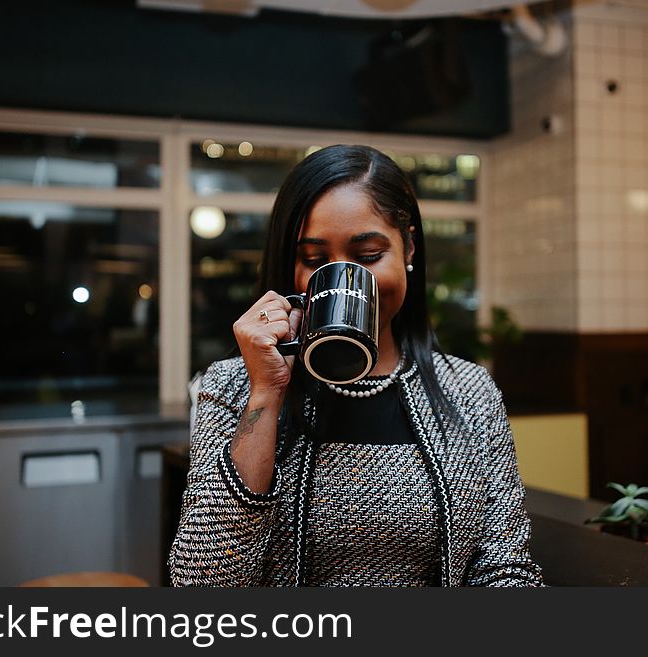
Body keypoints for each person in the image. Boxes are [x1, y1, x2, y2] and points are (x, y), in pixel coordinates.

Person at [169, 144, 543, 587]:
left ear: (408, 248)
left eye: (367, 256)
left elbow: (504, 565)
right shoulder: (234, 386)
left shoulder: (469, 390)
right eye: (314, 260)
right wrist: (267, 392)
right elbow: (203, 581)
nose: (344, 279)